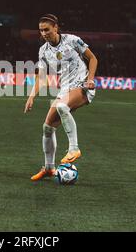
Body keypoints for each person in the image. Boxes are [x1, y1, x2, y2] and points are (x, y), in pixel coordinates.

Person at [24, 14, 98, 181]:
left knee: (62, 107)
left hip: (82, 85)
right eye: (41, 30)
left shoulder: (72, 40)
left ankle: (74, 148)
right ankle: (49, 168)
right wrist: (31, 96)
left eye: (47, 30)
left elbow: (93, 58)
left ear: (56, 28)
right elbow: (41, 76)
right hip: (65, 89)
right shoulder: (43, 51)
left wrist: (91, 79)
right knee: (47, 127)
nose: (44, 33)